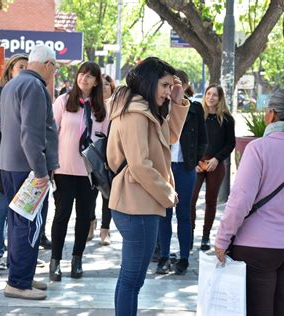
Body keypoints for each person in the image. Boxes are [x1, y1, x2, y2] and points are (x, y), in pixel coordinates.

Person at [214, 89, 284, 316]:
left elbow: (240, 200)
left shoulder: (258, 149)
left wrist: (222, 239)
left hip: (257, 247)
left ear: (271, 115)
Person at [107, 57, 189, 315]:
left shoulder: (144, 109)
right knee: (132, 280)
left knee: (131, 279)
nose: (167, 90)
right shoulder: (135, 113)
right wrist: (168, 194)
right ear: (150, 82)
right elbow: (140, 165)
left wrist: (177, 100)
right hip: (136, 203)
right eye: (164, 85)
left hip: (140, 202)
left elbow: (171, 137)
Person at [0, 44, 58, 300]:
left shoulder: (12, 84)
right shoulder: (34, 87)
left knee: (17, 224)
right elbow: (31, 134)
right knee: (29, 225)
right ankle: (19, 282)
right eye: (54, 68)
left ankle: (21, 274)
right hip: (28, 168)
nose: (53, 73)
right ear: (48, 64)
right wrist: (41, 170)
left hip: (10, 164)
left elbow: (2, 124)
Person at [49, 61, 108, 281]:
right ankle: (55, 262)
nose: (84, 78)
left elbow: (105, 140)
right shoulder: (63, 101)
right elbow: (52, 134)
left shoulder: (100, 109)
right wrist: (51, 165)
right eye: (82, 74)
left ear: (96, 82)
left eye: (90, 76)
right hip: (64, 169)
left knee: (84, 217)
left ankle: (77, 259)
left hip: (89, 172)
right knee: (62, 215)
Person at [157, 69, 207, 275]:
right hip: (164, 167)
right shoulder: (159, 106)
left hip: (185, 167)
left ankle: (184, 257)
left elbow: (203, 139)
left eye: (178, 83)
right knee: (164, 213)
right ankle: (163, 256)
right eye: (170, 84)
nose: (174, 88)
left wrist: (195, 161)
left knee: (184, 212)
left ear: (185, 86)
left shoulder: (194, 108)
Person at [0, 53, 28, 270]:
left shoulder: (31, 92)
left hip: (25, 159)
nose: (24, 70)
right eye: (20, 66)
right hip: (3, 156)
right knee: (3, 206)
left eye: (28, 67)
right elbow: (3, 124)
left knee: (20, 209)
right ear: (10, 69)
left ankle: (17, 255)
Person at [190, 84, 235, 251]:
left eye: (214, 95)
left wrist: (217, 159)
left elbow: (230, 143)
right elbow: (191, 141)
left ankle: (206, 236)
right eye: (208, 94)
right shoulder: (197, 116)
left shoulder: (227, 119)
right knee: (190, 200)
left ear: (220, 98)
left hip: (216, 164)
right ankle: (189, 234)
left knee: (211, 201)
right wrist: (194, 161)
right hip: (197, 163)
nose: (210, 97)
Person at [88, 73, 117, 245]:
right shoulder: (91, 106)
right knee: (90, 193)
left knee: (108, 194)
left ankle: (105, 230)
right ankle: (90, 223)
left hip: (111, 155)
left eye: (108, 84)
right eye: (102, 84)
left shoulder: (116, 107)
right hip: (93, 155)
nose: (104, 86)